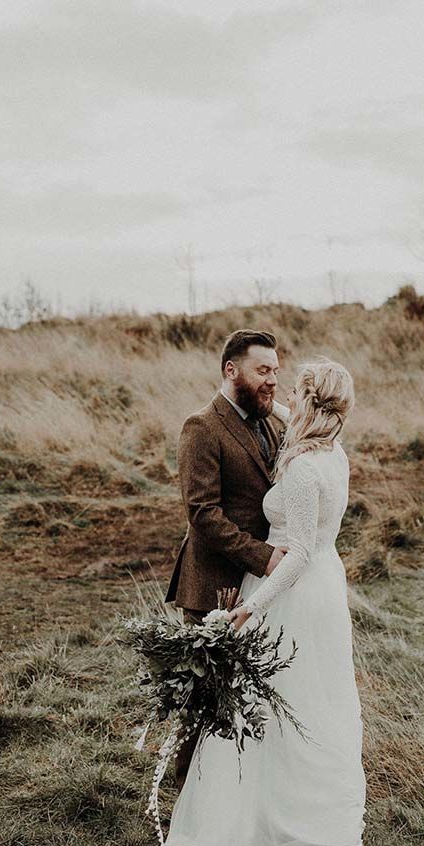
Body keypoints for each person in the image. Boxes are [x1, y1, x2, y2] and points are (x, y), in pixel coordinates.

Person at [163, 357, 367, 846]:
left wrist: (253, 607)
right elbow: (290, 410)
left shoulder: (301, 470)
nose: (283, 394)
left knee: (272, 706)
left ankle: (265, 820)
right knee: (315, 702)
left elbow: (295, 555)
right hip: (326, 590)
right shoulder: (335, 452)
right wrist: (252, 393)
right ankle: (320, 814)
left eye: (293, 390)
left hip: (291, 593)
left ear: (309, 402)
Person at [165, 329, 289, 790]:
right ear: (231, 370)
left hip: (259, 588)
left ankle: (232, 793)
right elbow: (203, 513)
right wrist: (263, 557)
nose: (272, 379)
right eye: (263, 370)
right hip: (215, 583)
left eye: (275, 370)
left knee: (245, 694)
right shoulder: (202, 426)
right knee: (203, 698)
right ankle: (185, 799)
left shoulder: (270, 422)